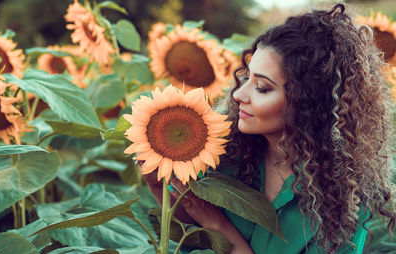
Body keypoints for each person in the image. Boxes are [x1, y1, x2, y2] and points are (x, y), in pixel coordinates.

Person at [140, 3, 396, 253]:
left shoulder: (344, 197)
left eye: (262, 88)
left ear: (308, 103)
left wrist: (217, 224)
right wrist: (156, 184)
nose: (239, 94)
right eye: (246, 77)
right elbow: (190, 226)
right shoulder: (222, 148)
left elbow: (208, 221)